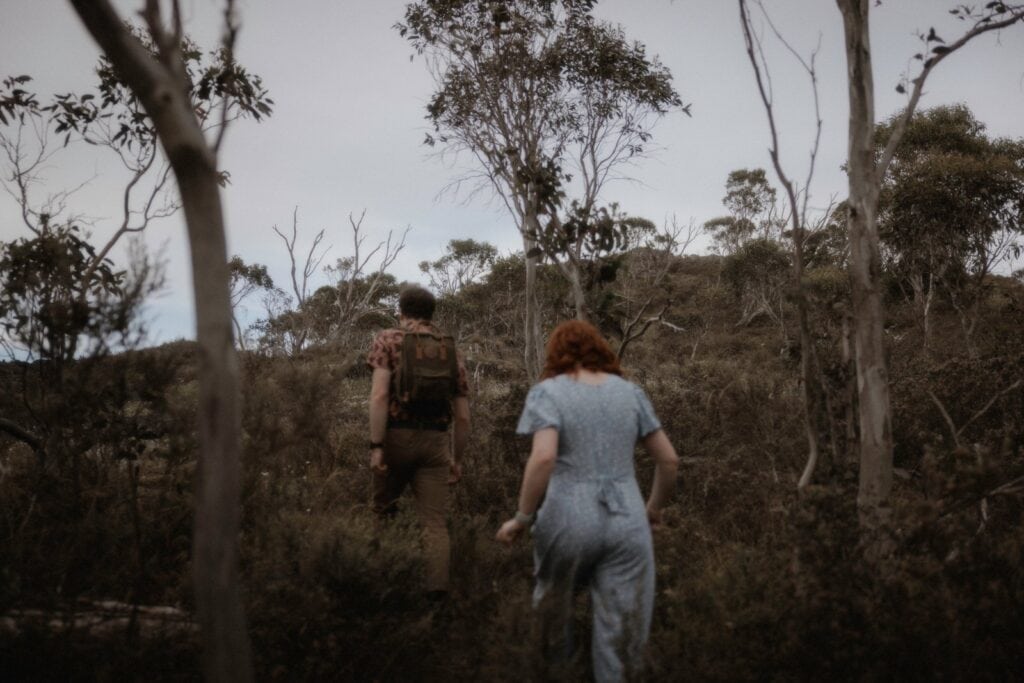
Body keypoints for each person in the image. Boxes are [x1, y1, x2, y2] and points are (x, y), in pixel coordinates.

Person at [496, 320, 679, 682]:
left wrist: (522, 517)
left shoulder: (548, 392)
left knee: (552, 618)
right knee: (622, 640)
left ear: (556, 354)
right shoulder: (631, 393)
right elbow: (669, 461)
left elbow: (544, 457)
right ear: (600, 351)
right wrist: (653, 510)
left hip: (567, 518)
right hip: (628, 520)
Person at [367, 285, 470, 597]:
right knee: (434, 525)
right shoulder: (450, 348)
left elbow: (380, 395)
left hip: (396, 437)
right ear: (431, 313)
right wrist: (457, 459)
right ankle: (436, 597)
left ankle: (382, 587)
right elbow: (463, 416)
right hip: (436, 443)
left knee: (383, 513)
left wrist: (376, 446)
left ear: (401, 312)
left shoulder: (388, 339)